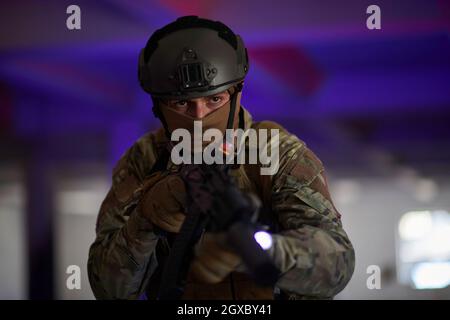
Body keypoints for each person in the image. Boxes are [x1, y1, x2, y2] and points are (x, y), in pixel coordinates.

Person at [87, 16, 355, 300]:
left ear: (235, 93)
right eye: (181, 103)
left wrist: (265, 250)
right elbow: (108, 290)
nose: (199, 115)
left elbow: (337, 262)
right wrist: (144, 219)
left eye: (214, 99)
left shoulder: (275, 152)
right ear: (159, 107)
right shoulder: (144, 159)